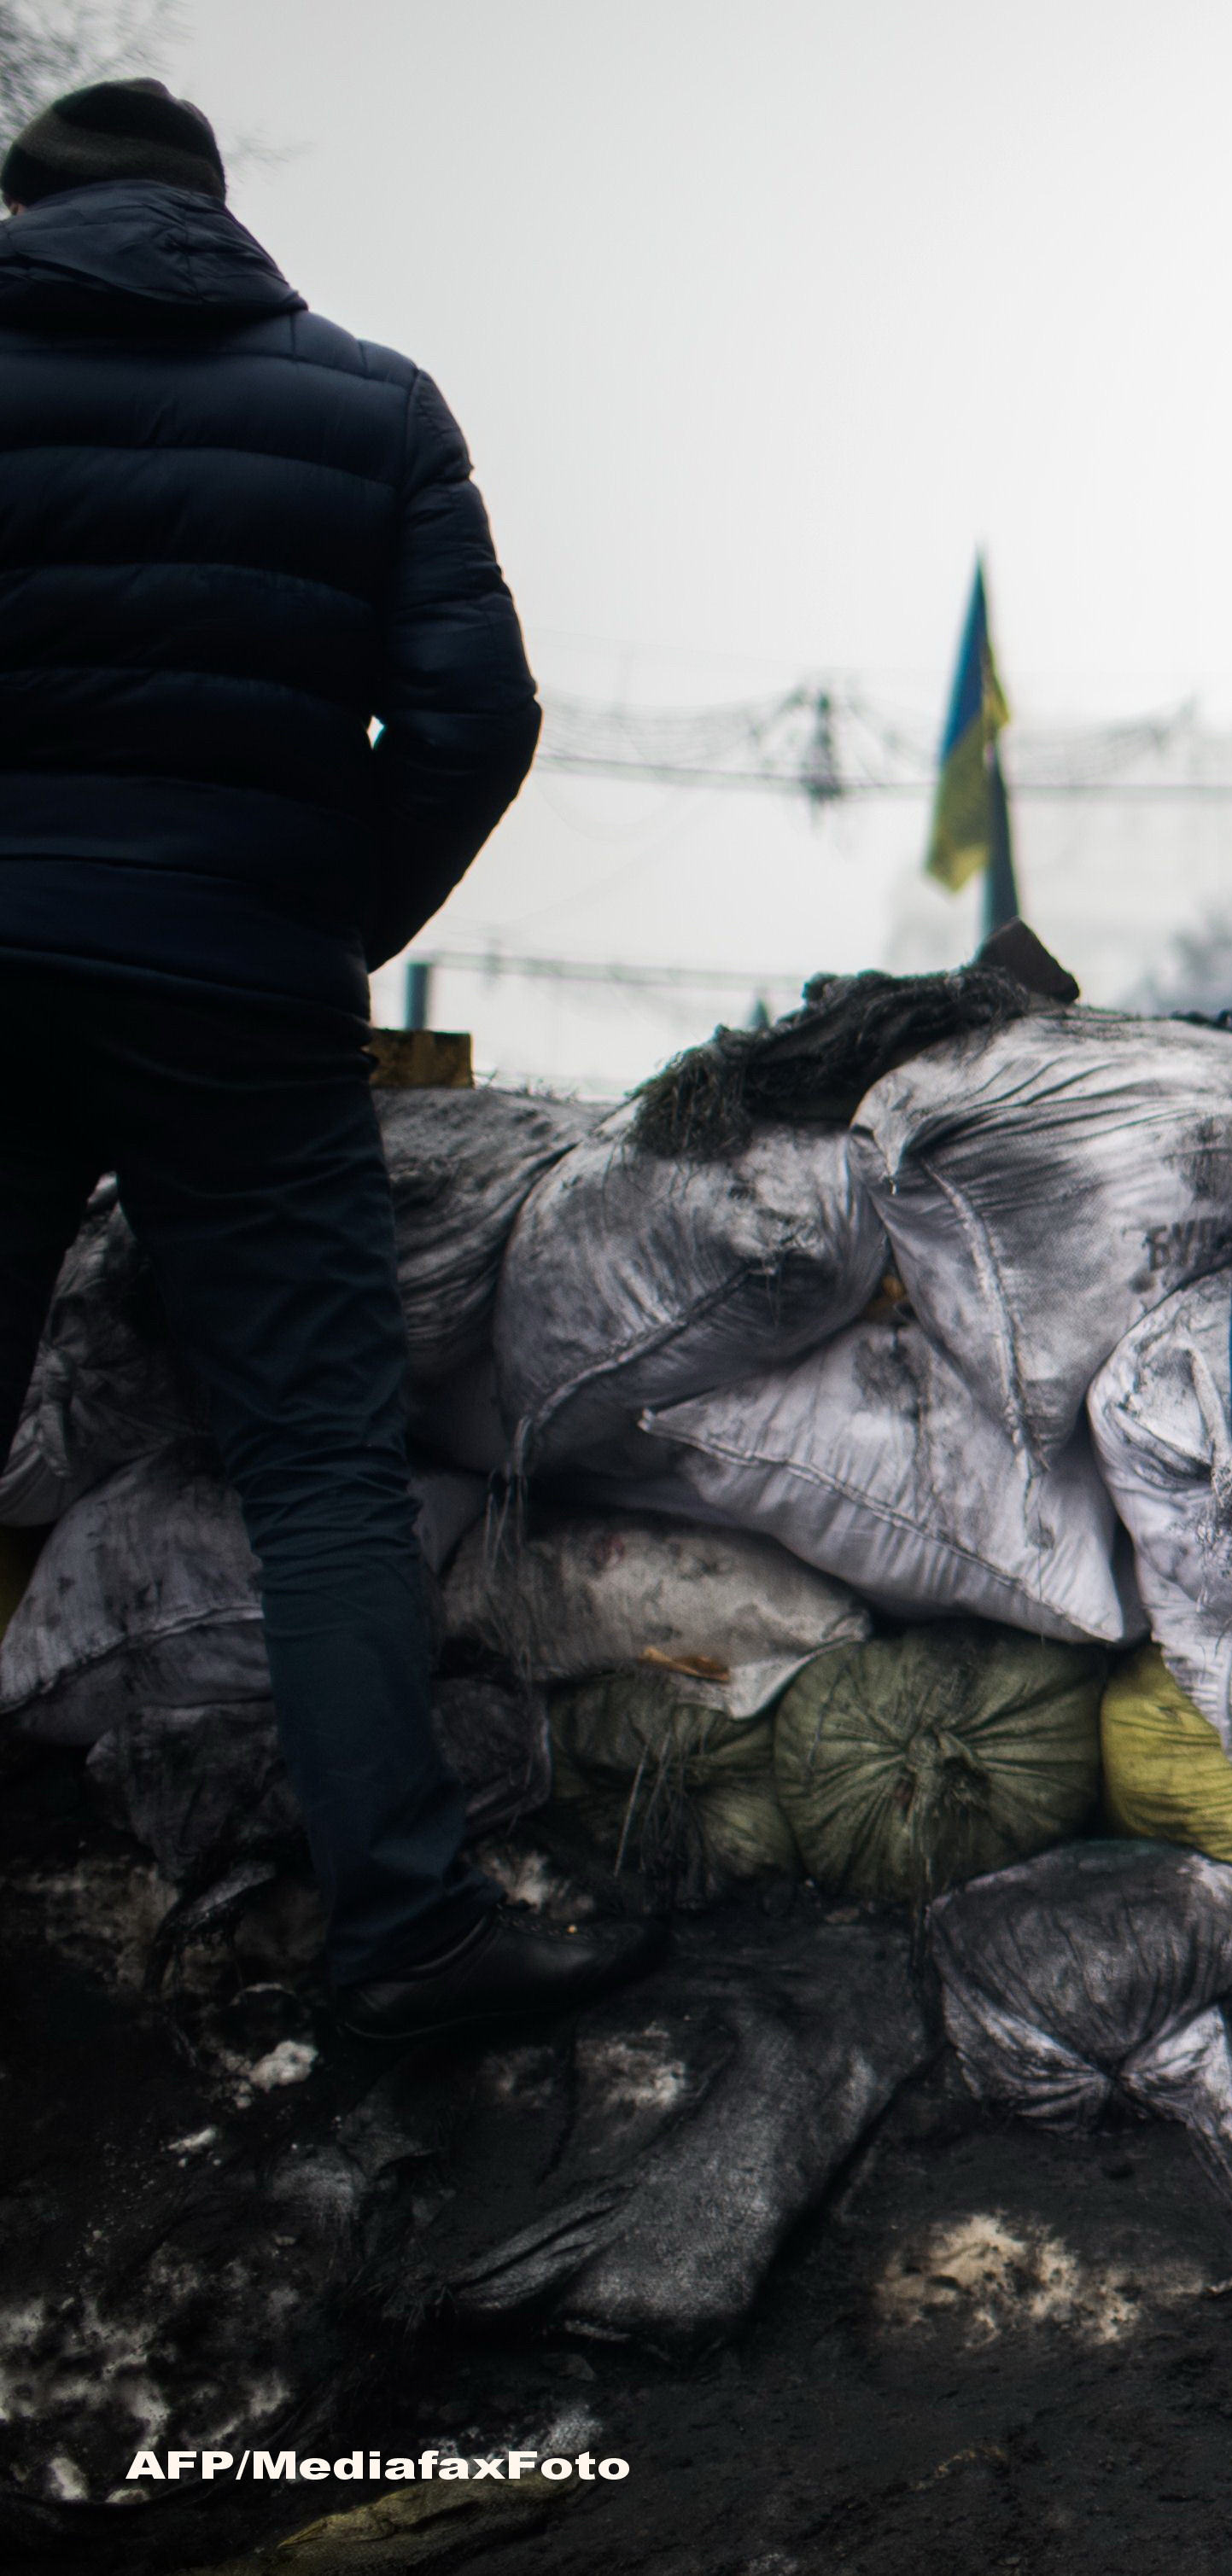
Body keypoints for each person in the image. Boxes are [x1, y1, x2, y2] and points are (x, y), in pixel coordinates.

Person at [0, 81, 660, 2037]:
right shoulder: (369, 406)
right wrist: (320, 925)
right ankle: (404, 1925)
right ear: (215, 217)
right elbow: (478, 716)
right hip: (241, 994)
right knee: (318, 1468)